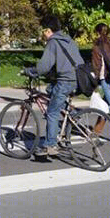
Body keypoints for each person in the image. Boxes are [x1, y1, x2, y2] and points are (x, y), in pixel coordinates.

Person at [25, 15, 82, 157]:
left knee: (52, 112)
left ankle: (50, 145)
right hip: (77, 79)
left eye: (43, 30)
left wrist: (31, 71)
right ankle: (72, 113)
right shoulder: (69, 40)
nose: (42, 34)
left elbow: (44, 66)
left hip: (65, 81)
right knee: (50, 90)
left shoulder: (53, 42)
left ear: (48, 30)